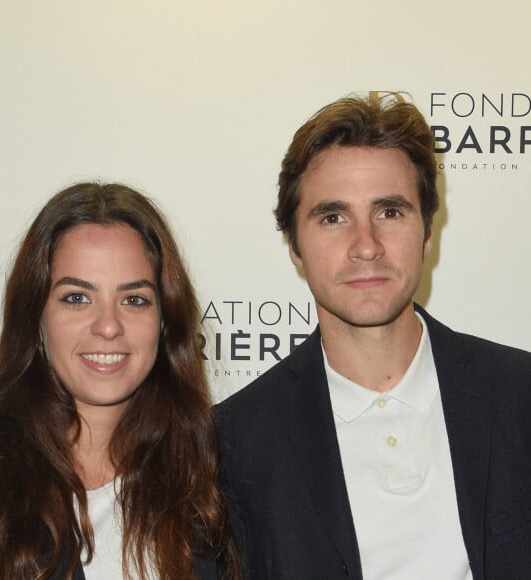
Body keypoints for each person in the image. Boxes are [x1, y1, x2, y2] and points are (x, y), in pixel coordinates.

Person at [216, 95, 531, 579]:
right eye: (333, 217)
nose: (366, 246)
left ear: (428, 231)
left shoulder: (519, 395)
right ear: (294, 247)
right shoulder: (232, 445)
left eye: (389, 212)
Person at [0, 183, 239, 580]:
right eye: (76, 298)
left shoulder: (210, 477)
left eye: (134, 299)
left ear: (164, 320)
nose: (107, 326)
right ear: (36, 316)